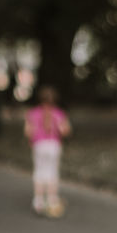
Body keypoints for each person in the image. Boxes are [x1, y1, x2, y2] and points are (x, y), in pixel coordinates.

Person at [24, 85, 71, 217]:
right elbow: (65, 130)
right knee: (52, 172)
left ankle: (38, 201)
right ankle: (52, 199)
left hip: (39, 145)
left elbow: (28, 132)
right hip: (54, 145)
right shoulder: (59, 113)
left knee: (39, 172)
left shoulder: (33, 113)